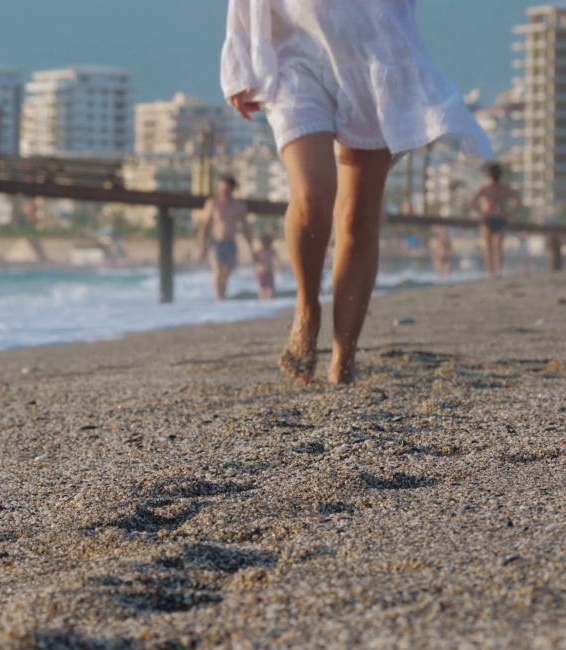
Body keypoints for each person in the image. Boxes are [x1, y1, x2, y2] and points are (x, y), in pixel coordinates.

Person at [222, 0, 492, 384]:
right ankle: (306, 305)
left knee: (356, 219)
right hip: (294, 53)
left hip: (375, 52)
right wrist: (240, 63)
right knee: (314, 194)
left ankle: (344, 357)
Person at [197, 177, 252, 301]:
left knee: (226, 274)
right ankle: (218, 300)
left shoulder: (239, 206)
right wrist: (202, 247)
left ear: (232, 190)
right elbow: (204, 226)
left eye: (226, 189)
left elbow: (246, 228)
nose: (223, 192)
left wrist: (251, 248)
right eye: (221, 189)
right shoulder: (212, 203)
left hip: (231, 243)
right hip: (215, 243)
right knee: (217, 271)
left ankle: (223, 298)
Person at [469, 162, 523, 281]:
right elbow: (519, 204)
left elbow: (472, 203)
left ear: (489, 175)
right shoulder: (504, 188)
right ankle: (496, 272)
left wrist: (483, 212)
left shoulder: (487, 188)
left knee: (490, 248)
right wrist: (507, 213)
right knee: (497, 247)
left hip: (490, 218)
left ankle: (493, 273)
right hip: (496, 218)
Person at [254, 231, 281, 300]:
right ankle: (263, 299)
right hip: (263, 273)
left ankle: (266, 299)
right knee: (264, 288)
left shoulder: (270, 251)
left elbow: (278, 260)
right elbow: (255, 259)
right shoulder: (261, 251)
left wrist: (281, 266)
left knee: (268, 288)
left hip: (266, 273)